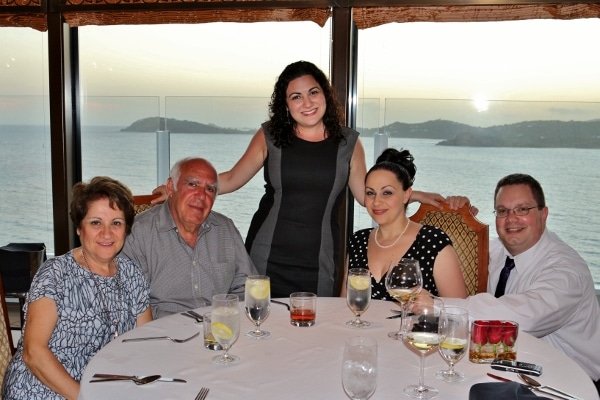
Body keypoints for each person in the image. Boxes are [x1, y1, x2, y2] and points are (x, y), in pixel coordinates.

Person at [153, 61, 454, 298]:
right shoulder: (270, 136)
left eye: (313, 92)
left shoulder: (348, 143)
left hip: (321, 260)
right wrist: (181, 188)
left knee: (313, 338)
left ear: (325, 94)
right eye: (295, 96)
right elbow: (231, 179)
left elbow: (367, 196)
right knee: (261, 332)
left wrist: (413, 194)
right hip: (265, 255)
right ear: (286, 104)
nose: (306, 102)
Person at [443, 173, 600, 394]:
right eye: (502, 211)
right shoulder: (496, 250)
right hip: (510, 369)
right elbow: (440, 253)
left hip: (568, 384)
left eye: (522, 209)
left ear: (544, 214)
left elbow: (523, 318)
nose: (511, 218)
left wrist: (439, 307)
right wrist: (455, 218)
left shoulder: (566, 270)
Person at [1, 177, 152, 400]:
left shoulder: (131, 273)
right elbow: (34, 353)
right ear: (79, 228)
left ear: (126, 229)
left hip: (102, 388)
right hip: (42, 389)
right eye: (96, 223)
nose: (107, 233)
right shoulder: (55, 273)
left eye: (116, 223)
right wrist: (84, 396)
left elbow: (146, 341)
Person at [122, 157, 257, 318]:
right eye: (192, 184)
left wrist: (228, 317)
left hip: (221, 328)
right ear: (171, 187)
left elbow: (247, 286)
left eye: (210, 189)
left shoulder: (225, 229)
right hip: (165, 333)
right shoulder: (139, 232)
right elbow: (133, 301)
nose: (201, 195)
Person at [341, 148, 468, 299]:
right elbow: (344, 306)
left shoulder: (432, 242)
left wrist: (433, 304)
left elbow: (459, 310)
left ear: (407, 195)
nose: (376, 201)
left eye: (387, 192)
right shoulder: (358, 241)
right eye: (370, 193)